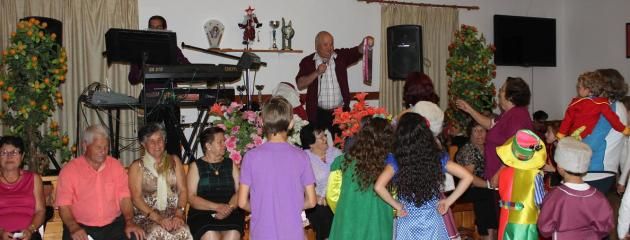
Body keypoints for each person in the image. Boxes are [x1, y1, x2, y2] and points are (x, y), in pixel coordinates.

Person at [374, 112, 473, 240]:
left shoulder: (396, 160)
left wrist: (397, 205)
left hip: (407, 220)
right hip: (433, 220)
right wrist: (448, 202)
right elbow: (468, 177)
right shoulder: (437, 157)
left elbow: (378, 186)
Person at [237, 97, 317, 240]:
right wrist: (291, 207)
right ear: (291, 123)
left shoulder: (251, 157)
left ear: (262, 122)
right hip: (293, 234)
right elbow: (311, 201)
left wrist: (261, 210)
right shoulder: (301, 157)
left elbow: (242, 202)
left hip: (262, 234)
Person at [56, 125, 145, 240]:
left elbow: (125, 198)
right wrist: (73, 227)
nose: (103, 151)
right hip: (81, 226)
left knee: (135, 236)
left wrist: (129, 221)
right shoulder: (69, 170)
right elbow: (64, 205)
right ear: (85, 146)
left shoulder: (115, 166)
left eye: (106, 147)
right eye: (98, 147)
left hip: (114, 225)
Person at [128, 15, 191, 157]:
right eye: (152, 27)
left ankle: (176, 170)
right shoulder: (141, 51)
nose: (155, 30)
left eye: (159, 27)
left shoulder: (173, 49)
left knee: (173, 138)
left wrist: (175, 68)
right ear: (148, 29)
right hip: (151, 97)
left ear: (165, 30)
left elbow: (187, 68)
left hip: (170, 96)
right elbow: (132, 78)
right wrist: (142, 69)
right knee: (151, 136)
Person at [456, 77, 534, 188]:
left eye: (502, 90)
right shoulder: (509, 114)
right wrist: (469, 109)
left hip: (509, 179)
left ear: (510, 96)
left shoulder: (517, 117)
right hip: (502, 177)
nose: (499, 93)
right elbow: (490, 124)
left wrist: (499, 174)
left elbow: (516, 150)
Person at [326, 117, 394, 240]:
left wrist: (347, 210)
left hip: (348, 224)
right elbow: (394, 195)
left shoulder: (341, 162)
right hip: (378, 224)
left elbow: (332, 196)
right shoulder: (390, 166)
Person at [295, 31, 374, 134]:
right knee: (317, 145)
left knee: (342, 144)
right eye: (325, 45)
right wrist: (316, 72)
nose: (329, 48)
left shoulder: (340, 57)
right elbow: (300, 84)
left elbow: (357, 51)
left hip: (340, 112)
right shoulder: (308, 62)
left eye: (331, 44)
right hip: (317, 112)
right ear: (316, 46)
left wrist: (365, 42)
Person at [538, 137, 613, 239]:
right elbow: (605, 228)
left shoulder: (554, 197)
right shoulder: (599, 198)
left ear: (560, 167)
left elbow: (545, 229)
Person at [128, 123, 192, 240]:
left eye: (160, 140)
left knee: (183, 232)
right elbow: (136, 198)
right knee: (158, 233)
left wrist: (179, 214)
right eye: (151, 141)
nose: (157, 144)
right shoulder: (137, 166)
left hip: (173, 215)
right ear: (143, 144)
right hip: (147, 216)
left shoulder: (175, 161)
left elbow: (183, 190)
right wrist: (158, 219)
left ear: (165, 141)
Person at [187, 127, 244, 240]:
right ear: (208, 146)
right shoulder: (195, 166)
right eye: (220, 142)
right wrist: (217, 207)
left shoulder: (230, 164)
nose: (224, 145)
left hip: (230, 211)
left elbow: (240, 191)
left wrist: (229, 208)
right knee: (210, 235)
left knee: (233, 233)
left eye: (224, 141)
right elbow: (191, 198)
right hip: (202, 213)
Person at [495, 130, 546, 240]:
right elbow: (540, 201)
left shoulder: (504, 172)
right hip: (526, 222)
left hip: (505, 220)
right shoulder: (535, 175)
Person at [586, 68, 630, 194]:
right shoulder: (617, 105)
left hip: (594, 170)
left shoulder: (608, 107)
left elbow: (591, 142)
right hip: (601, 171)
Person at [455, 122, 498, 240]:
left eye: (482, 130)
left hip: (486, 187)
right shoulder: (468, 149)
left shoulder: (489, 147)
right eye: (475, 130)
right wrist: (489, 185)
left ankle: (495, 232)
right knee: (487, 195)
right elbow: (469, 178)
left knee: (497, 194)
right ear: (470, 133)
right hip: (467, 188)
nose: (479, 134)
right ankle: (488, 235)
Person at [299, 124, 342, 240]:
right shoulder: (304, 158)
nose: (325, 139)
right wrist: (318, 197)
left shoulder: (336, 153)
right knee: (323, 214)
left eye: (325, 135)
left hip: (338, 198)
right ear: (311, 144)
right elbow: (299, 184)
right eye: (321, 137)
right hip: (316, 201)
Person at [0, 136, 45, 240]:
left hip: (29, 234)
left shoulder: (34, 179)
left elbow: (40, 211)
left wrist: (30, 229)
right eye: (4, 152)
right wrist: (1, 233)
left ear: (22, 156)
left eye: (14, 152)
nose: (9, 156)